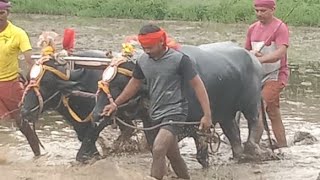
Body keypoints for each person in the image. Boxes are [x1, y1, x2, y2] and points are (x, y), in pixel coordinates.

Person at [103, 24, 212, 179]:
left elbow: (198, 85)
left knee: (158, 148)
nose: (147, 51)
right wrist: (115, 104)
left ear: (162, 41)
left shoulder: (180, 60)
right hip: (155, 112)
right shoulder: (142, 61)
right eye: (144, 47)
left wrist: (207, 115)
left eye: (150, 47)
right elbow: (134, 84)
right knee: (173, 155)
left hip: (176, 111)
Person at [245, 0, 289, 148]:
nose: (259, 14)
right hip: (256, 76)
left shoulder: (280, 28)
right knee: (273, 111)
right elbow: (245, 51)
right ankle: (283, 146)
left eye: (263, 11)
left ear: (273, 9)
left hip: (275, 75)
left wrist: (261, 59)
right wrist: (251, 54)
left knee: (258, 109)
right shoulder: (252, 29)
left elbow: (281, 52)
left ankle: (252, 146)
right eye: (256, 10)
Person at [0, 0, 33, 120]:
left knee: (20, 119)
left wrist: (33, 82)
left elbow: (29, 61)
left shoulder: (18, 33)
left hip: (10, 83)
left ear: (7, 13)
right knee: (3, 122)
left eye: (1, 13)